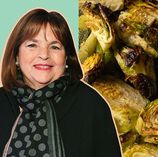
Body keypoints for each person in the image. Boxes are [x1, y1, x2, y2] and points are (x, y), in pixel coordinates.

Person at [0, 8, 122, 157]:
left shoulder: (91, 104)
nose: (44, 55)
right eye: (32, 45)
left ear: (67, 57)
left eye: (55, 47)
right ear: (16, 55)